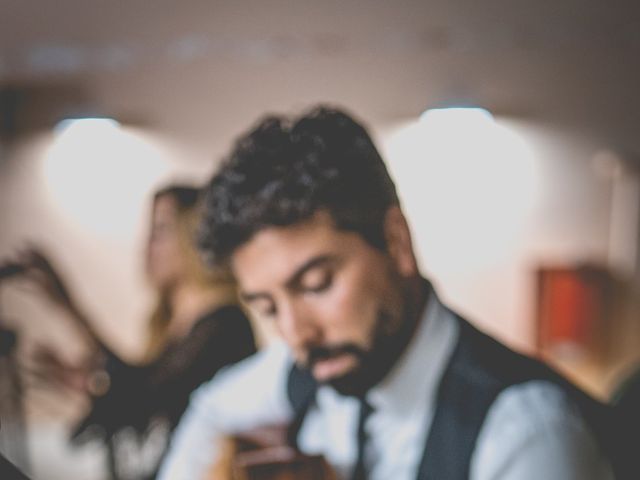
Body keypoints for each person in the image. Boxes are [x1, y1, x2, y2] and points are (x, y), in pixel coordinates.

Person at [158, 108, 623, 480]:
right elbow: (210, 409)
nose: (296, 332)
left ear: (397, 243)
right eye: (267, 306)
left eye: (317, 285)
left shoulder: (524, 431)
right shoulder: (312, 364)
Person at [13, 184, 257, 480]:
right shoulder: (168, 329)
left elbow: (145, 396)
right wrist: (89, 386)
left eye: (161, 230)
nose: (148, 244)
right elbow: (132, 406)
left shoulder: (223, 326)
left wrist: (68, 308)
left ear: (192, 233)